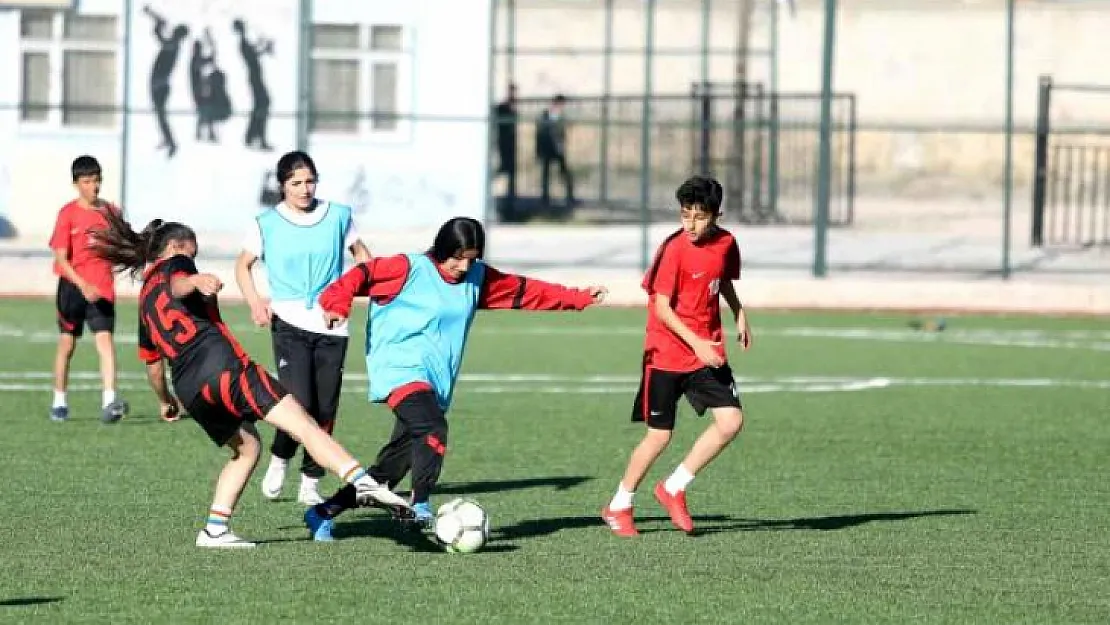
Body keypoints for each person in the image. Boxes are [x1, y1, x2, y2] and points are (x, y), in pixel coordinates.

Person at [89, 211, 408, 548]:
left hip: (189, 388)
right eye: (191, 253)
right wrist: (195, 281)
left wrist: (165, 401)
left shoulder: (144, 299)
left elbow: (153, 365)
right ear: (173, 247)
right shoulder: (177, 265)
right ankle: (363, 482)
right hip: (223, 367)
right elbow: (179, 283)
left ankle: (215, 529)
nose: (192, 259)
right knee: (303, 424)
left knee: (247, 448)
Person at [301, 216, 607, 541]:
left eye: (472, 258)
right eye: (457, 257)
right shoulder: (407, 268)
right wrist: (336, 304)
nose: (463, 266)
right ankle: (420, 505)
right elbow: (361, 275)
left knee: (389, 470)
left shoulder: (476, 278)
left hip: (435, 381)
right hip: (399, 369)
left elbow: (526, 291)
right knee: (432, 428)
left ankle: (323, 512)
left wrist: (578, 298)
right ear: (442, 249)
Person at [601, 176, 752, 537]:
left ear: (717, 215)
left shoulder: (727, 243)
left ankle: (673, 487)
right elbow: (662, 307)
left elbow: (721, 280)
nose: (692, 224)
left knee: (731, 421)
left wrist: (739, 312)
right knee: (659, 436)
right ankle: (619, 504)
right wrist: (696, 343)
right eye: (686, 216)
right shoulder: (674, 249)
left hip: (706, 352)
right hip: (666, 354)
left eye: (700, 217)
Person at [236, 151, 371, 506]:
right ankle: (281, 457)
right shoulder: (266, 222)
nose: (304, 189)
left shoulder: (340, 216)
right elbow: (243, 266)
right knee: (298, 402)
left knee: (325, 408)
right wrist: (255, 301)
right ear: (282, 186)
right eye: (296, 183)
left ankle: (311, 481)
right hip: (289, 322)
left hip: (332, 323)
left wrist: (352, 294)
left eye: (310, 181)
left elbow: (363, 259)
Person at [48, 155, 129, 424]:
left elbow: (121, 246)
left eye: (97, 180)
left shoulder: (111, 212)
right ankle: (59, 401)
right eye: (87, 181)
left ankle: (109, 401)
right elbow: (61, 257)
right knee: (67, 344)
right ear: (76, 183)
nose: (93, 186)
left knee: (105, 341)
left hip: (102, 289)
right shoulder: (67, 214)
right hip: (72, 289)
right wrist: (83, 284)